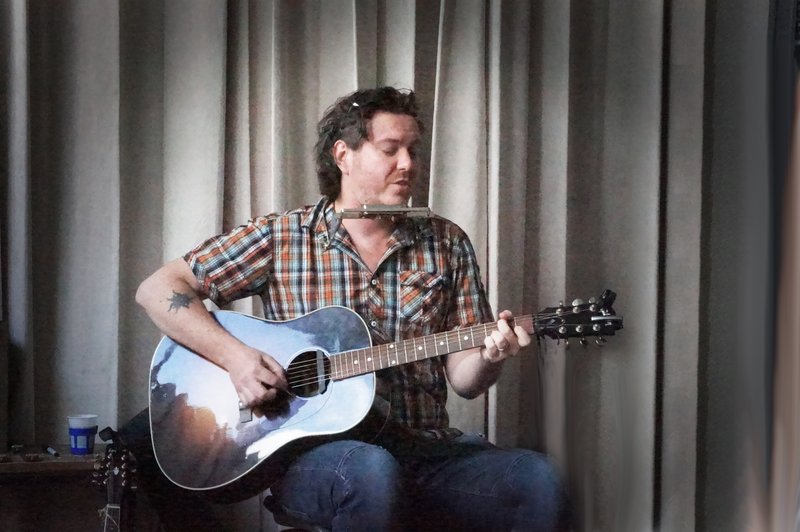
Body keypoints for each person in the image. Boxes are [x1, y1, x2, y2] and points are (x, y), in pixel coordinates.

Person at [127, 86, 570, 531]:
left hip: (427, 450)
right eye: (390, 150)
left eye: (413, 150)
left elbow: (465, 381)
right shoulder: (283, 236)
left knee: (539, 479)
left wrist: (491, 356)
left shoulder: (446, 242)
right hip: (321, 457)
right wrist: (237, 359)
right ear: (344, 155)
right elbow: (157, 289)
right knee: (371, 471)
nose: (408, 164)